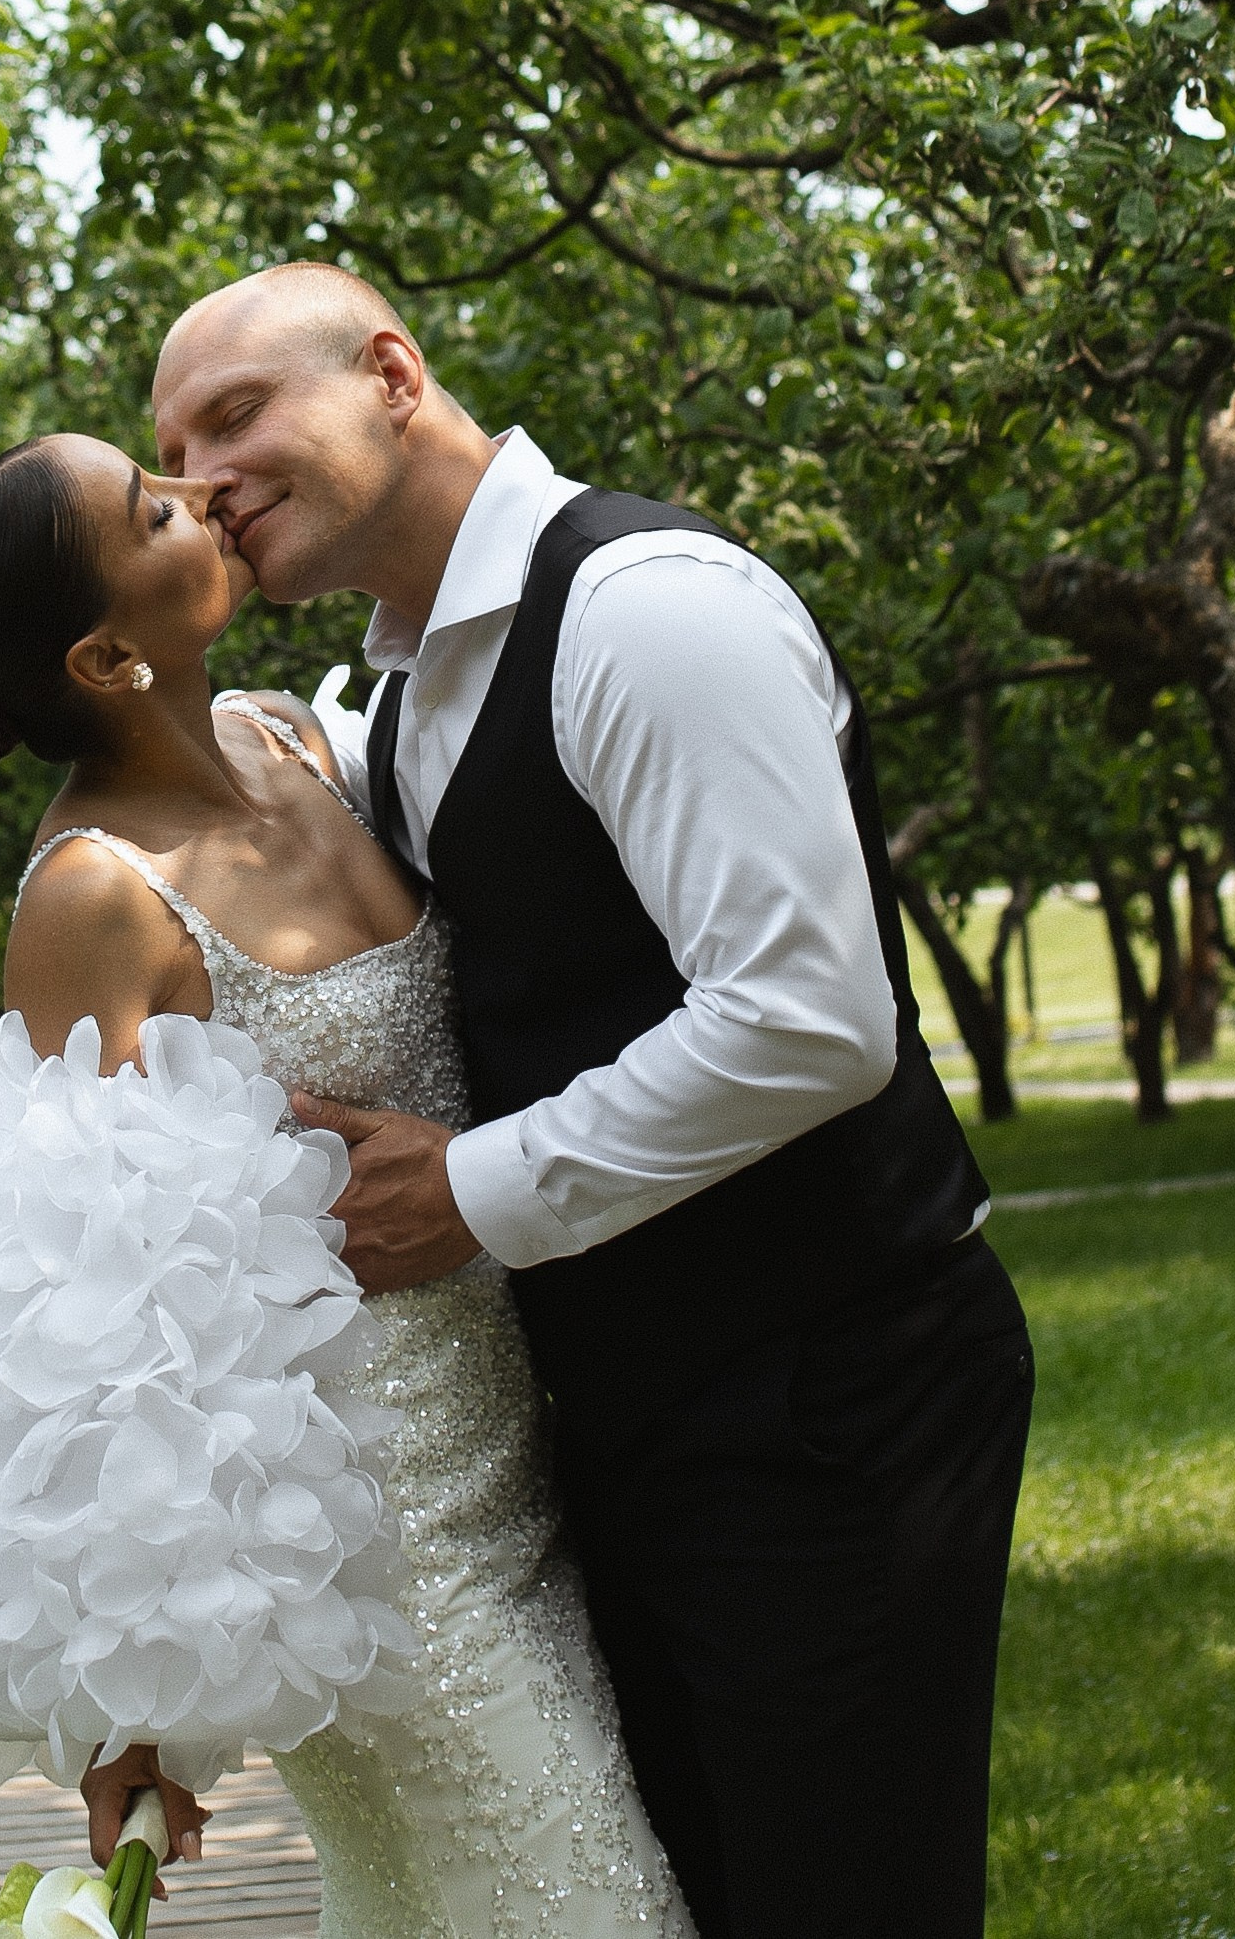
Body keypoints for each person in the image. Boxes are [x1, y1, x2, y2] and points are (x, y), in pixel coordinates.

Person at [150, 263, 1033, 1939]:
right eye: (171, 452)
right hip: (632, 1404)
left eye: (235, 413)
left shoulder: (647, 610)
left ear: (391, 373)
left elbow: (809, 1018)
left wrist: (470, 1192)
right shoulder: (400, 691)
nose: (201, 479)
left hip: (832, 1386)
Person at [0, 432, 694, 1939]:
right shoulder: (92, 899)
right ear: (104, 655)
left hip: (533, 1439)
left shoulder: (296, 737)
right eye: (152, 510)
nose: (204, 492)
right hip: (373, 1536)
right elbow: (87, 1322)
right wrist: (127, 1711)